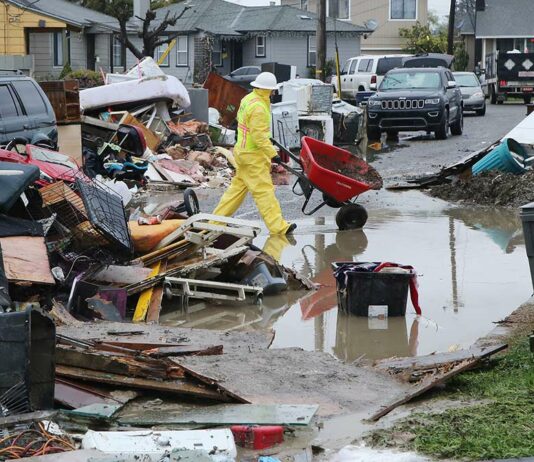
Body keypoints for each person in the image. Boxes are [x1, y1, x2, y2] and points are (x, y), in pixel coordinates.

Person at [212, 72, 296, 235]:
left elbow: (245, 125)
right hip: (253, 156)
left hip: (242, 152)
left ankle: (215, 222)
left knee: (235, 192)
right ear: (268, 90)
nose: (273, 93)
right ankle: (279, 227)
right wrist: (273, 154)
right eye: (272, 90)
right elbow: (258, 136)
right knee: (264, 192)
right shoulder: (259, 107)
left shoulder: (248, 99)